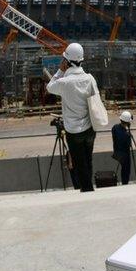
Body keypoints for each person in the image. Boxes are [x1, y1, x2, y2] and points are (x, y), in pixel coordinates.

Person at [46, 43, 96, 192]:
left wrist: (60, 71)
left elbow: (49, 87)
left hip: (73, 131)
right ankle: (89, 190)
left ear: (67, 62)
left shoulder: (64, 82)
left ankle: (87, 192)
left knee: (80, 165)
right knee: (88, 161)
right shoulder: (89, 78)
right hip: (90, 128)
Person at [112, 111, 132, 185]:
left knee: (123, 168)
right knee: (126, 170)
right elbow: (129, 145)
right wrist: (128, 131)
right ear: (127, 122)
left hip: (117, 152)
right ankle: (125, 183)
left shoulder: (114, 127)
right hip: (125, 154)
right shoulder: (126, 134)